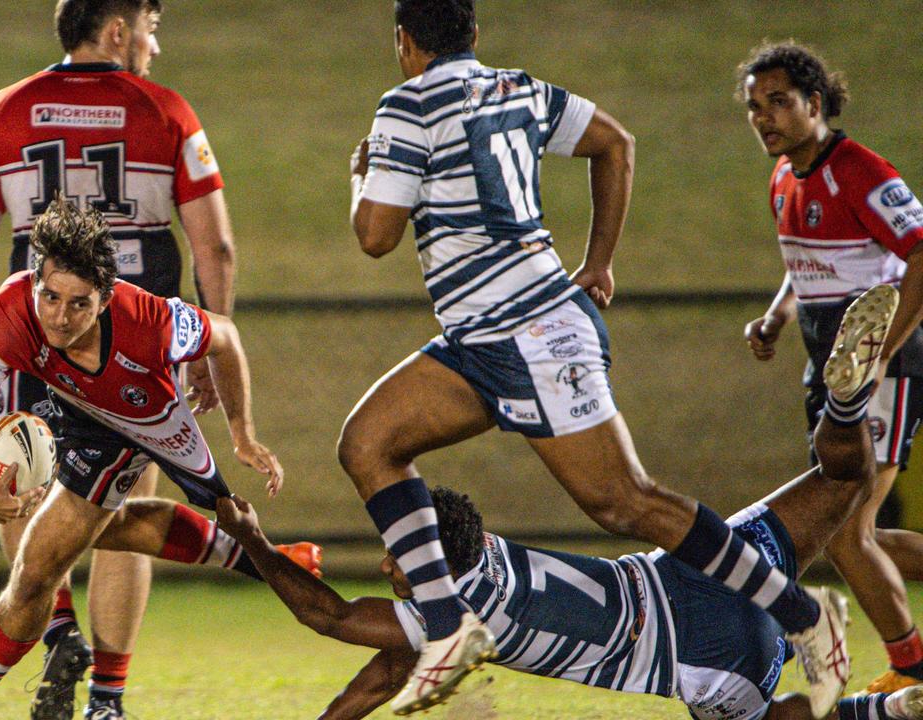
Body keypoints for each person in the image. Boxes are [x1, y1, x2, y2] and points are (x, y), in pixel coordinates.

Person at [343, 1, 856, 714]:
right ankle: (446, 629)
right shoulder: (517, 87)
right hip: (483, 339)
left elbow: (375, 236)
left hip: (526, 332)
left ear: (404, 41)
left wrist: (360, 175)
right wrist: (599, 263)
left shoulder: (402, 105)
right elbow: (614, 141)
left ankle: (804, 615)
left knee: (625, 502)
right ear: (474, 37)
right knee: (369, 443)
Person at [220, 287, 914, 720]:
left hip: (708, 654)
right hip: (710, 562)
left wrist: (250, 542)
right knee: (842, 476)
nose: (389, 568)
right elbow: (383, 672)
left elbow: (331, 617)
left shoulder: (451, 610)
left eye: (396, 561)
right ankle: (848, 402)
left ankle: (879, 714)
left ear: (426, 556)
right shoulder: (484, 558)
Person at [0, 0, 239, 716]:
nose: (154, 46)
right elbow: (216, 246)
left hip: (34, 332)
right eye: (151, 29)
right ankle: (107, 698)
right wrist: (211, 340)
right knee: (125, 507)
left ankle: (57, 634)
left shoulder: (7, 110)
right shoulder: (166, 111)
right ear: (117, 32)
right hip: (137, 338)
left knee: (13, 473)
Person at [0, 198, 281, 720]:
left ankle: (272, 567)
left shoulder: (150, 320)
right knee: (36, 568)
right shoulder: (9, 312)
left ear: (106, 299)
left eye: (79, 304)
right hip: (90, 420)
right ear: (34, 281)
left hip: (153, 418)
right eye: (50, 297)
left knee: (201, 518)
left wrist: (242, 435)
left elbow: (225, 336)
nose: (60, 317)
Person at [739, 41, 923, 694]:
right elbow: (804, 268)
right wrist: (775, 319)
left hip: (883, 371)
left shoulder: (861, 171)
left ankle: (913, 669)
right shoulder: (783, 179)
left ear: (815, 104)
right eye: (755, 106)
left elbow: (921, 251)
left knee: (845, 535)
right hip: (827, 372)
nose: (764, 117)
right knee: (858, 533)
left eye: (779, 102)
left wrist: (883, 354)